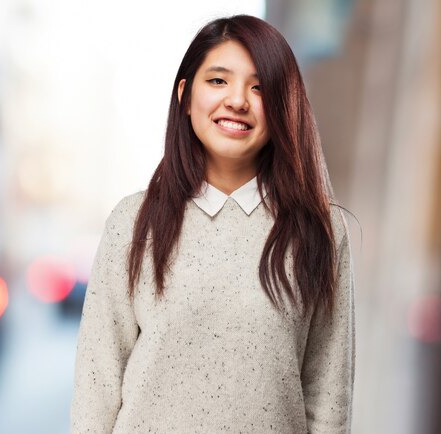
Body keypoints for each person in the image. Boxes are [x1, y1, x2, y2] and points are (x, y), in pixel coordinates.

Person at [70, 14, 355, 433]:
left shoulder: (320, 231)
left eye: (259, 87)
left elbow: (329, 400)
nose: (237, 100)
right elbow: (96, 392)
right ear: (185, 96)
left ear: (283, 106)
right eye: (218, 81)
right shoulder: (132, 223)